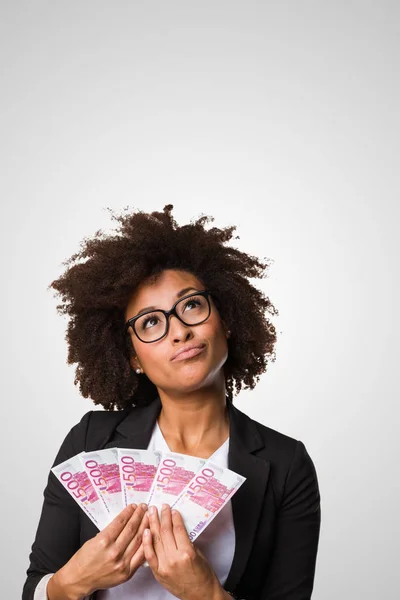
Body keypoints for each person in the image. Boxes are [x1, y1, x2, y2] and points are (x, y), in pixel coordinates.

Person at [22, 204, 321, 600]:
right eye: (150, 322)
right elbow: (34, 588)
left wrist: (206, 594)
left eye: (192, 305)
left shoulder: (286, 465)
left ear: (225, 320)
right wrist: (73, 580)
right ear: (133, 359)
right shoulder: (90, 441)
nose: (178, 330)